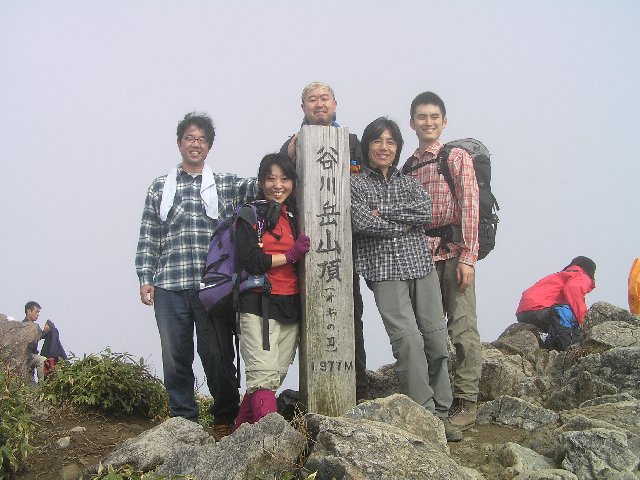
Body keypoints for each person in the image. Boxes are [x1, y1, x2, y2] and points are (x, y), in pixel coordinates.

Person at [136, 112, 258, 438]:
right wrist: (145, 277)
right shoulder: (161, 187)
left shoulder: (225, 184)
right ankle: (184, 420)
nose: (195, 144)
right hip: (169, 284)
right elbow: (150, 235)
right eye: (190, 138)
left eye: (202, 139)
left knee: (217, 353)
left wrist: (292, 150)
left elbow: (264, 183)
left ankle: (224, 416)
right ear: (179, 143)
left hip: (212, 286)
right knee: (175, 356)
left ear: (209, 146)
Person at [351, 117, 462, 442]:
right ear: (367, 146)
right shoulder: (355, 185)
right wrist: (401, 221)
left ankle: (442, 415)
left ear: (397, 147)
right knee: (408, 342)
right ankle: (424, 415)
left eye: (390, 142)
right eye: (377, 141)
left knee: (437, 340)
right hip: (383, 272)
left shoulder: (410, 182)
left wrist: (382, 213)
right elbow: (362, 222)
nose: (384, 147)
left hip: (420, 266)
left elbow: (424, 213)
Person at [280, 81, 369, 402]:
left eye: (325, 99)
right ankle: (314, 389)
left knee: (350, 312)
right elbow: (277, 188)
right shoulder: (291, 146)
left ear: (335, 103)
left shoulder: (353, 142)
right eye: (312, 100)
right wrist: (288, 157)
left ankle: (356, 386)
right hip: (306, 251)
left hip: (344, 247)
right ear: (302, 107)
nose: (319, 104)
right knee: (311, 311)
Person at [405, 91, 481, 432]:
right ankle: (438, 399)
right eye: (422, 117)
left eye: (434, 117)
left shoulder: (456, 157)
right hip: (423, 258)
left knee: (462, 328)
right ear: (412, 123)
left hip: (454, 254)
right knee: (430, 332)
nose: (428, 123)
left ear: (444, 121)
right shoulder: (409, 165)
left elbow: (470, 205)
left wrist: (468, 257)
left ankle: (467, 402)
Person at [233, 153, 310, 429]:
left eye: (285, 178)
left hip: (289, 305)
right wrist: (290, 255)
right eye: (271, 178)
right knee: (263, 375)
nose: (278, 185)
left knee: (269, 377)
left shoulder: (296, 216)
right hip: (257, 306)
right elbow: (251, 260)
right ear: (261, 181)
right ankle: (272, 445)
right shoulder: (249, 214)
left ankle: (238, 436)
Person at [516, 256, 596, 350]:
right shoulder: (581, 275)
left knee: (560, 315)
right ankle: (568, 345)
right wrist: (583, 320)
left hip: (524, 312)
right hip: (539, 308)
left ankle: (551, 345)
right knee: (566, 312)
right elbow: (573, 290)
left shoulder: (561, 275)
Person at [22, 301, 49, 382]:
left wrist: (46, 331)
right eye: (36, 312)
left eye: (38, 312)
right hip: (26, 355)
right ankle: (42, 386)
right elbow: (35, 338)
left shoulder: (34, 326)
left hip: (32, 355)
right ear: (29, 311)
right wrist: (44, 331)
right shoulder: (25, 325)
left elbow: (40, 336)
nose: (38, 314)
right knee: (42, 360)